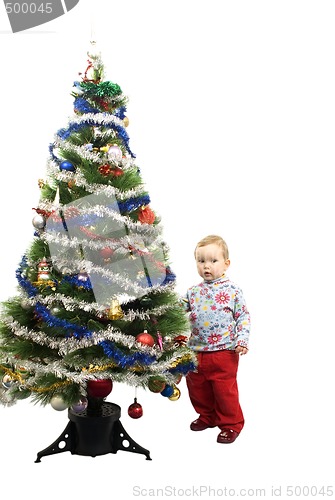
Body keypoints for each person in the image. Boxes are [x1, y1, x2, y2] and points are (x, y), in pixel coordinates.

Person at [181, 235, 250, 444]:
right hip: (196, 351)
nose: (206, 266)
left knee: (224, 391)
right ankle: (207, 416)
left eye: (213, 261)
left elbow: (243, 316)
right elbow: (177, 310)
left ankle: (231, 424)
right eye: (201, 261)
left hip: (224, 352)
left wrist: (242, 340)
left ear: (226, 264)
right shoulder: (193, 292)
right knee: (197, 388)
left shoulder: (232, 291)